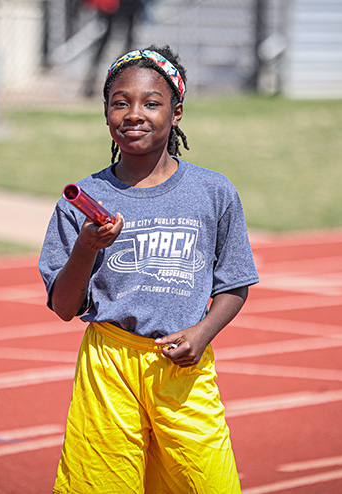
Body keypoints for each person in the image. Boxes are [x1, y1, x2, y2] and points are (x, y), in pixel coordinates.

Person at [39, 45, 259, 493]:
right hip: (109, 369)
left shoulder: (213, 192)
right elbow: (64, 307)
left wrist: (202, 333)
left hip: (182, 369)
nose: (134, 114)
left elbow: (234, 284)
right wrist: (87, 246)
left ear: (176, 112)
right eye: (120, 102)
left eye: (151, 103)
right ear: (105, 113)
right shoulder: (82, 199)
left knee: (206, 484)